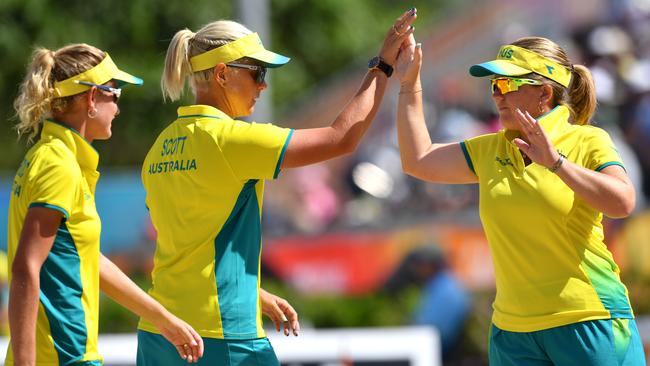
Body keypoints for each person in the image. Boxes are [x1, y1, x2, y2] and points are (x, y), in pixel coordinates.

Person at [137, 9, 417, 365]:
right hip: (221, 334)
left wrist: (250, 292)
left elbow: (189, 244)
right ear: (222, 74)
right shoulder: (231, 140)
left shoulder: (160, 146)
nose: (263, 85)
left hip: (160, 332)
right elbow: (342, 137)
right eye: (257, 72)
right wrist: (383, 66)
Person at [395, 36, 644, 365]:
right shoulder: (490, 148)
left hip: (588, 318)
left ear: (544, 91)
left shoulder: (587, 139)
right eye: (494, 84)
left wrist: (557, 163)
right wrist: (409, 83)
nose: (498, 94)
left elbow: (623, 202)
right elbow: (418, 159)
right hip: (513, 332)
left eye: (508, 83)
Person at [7, 44, 204, 366]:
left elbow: (87, 259)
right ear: (91, 98)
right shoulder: (60, 165)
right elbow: (25, 268)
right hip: (62, 356)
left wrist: (163, 319)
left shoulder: (52, 155)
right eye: (116, 94)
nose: (118, 107)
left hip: (62, 354)